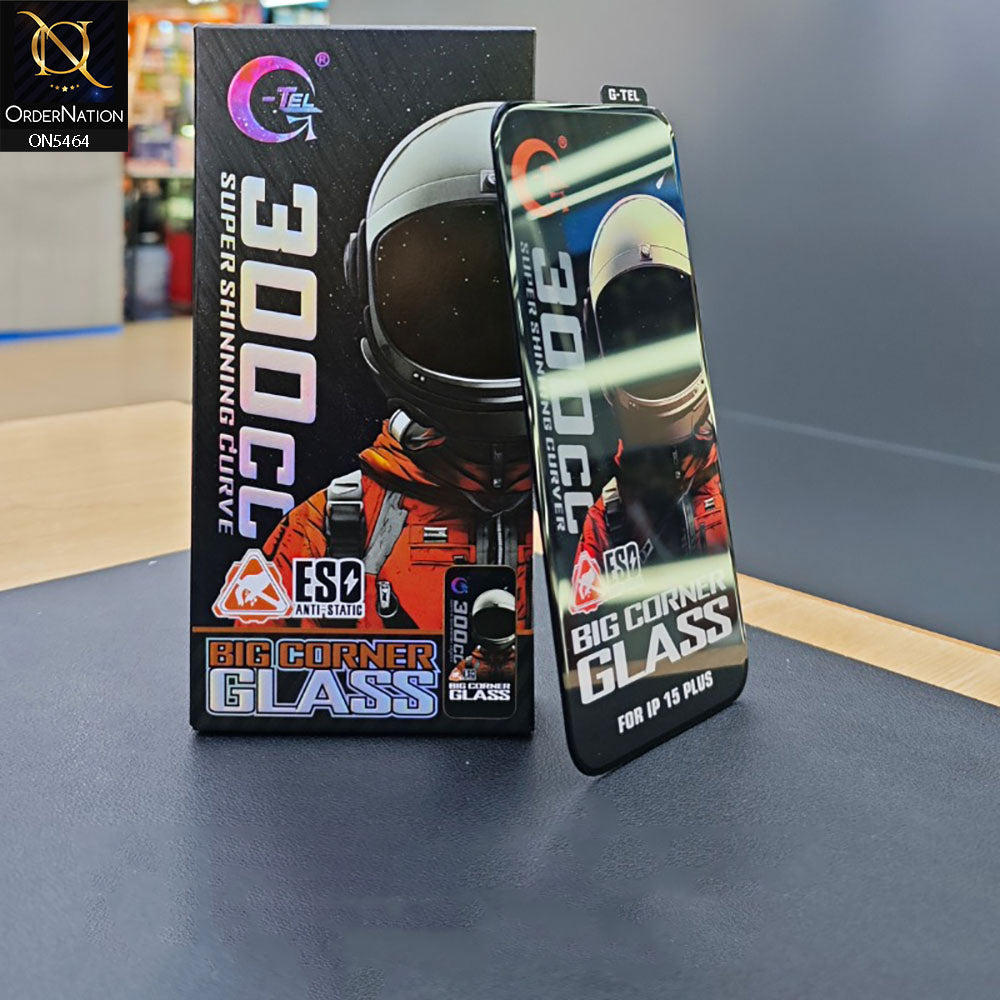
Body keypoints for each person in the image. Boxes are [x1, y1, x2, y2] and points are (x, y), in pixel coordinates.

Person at [263, 104, 532, 629]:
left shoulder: (612, 512)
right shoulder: (335, 530)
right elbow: (265, 659)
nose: (481, 318)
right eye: (452, 288)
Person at [572, 195, 729, 601]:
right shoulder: (608, 519)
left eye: (668, 320)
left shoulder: (731, 481)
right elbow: (589, 622)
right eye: (634, 327)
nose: (652, 343)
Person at [448, 589, 517, 683]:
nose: (494, 626)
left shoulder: (521, 662)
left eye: (503, 621)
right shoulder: (468, 664)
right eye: (487, 621)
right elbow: (453, 683)